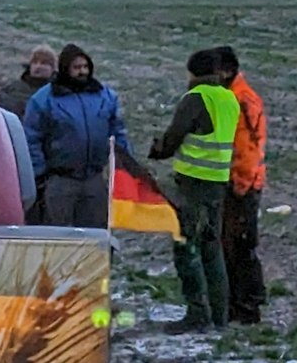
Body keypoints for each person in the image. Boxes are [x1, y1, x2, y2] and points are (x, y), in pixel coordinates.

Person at [148, 48, 241, 333]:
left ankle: (197, 313)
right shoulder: (229, 98)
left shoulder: (196, 98)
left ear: (192, 72)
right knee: (212, 249)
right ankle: (219, 316)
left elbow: (174, 137)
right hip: (218, 183)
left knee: (186, 247)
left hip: (193, 186)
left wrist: (157, 149)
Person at [23, 44, 131, 228]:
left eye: (85, 67)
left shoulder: (105, 96)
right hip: (59, 179)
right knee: (59, 233)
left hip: (94, 178)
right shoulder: (44, 99)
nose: (82, 72)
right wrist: (39, 174)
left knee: (95, 232)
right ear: (65, 69)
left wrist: (125, 165)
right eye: (76, 67)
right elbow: (32, 138)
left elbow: (117, 131)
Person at [214, 46, 267, 324]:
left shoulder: (241, 100)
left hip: (242, 185)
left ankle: (247, 306)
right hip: (238, 182)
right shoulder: (234, 96)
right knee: (233, 245)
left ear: (226, 71)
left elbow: (249, 147)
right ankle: (242, 302)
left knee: (241, 246)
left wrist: (241, 184)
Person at [0, 44, 57, 118]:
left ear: (52, 68)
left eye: (44, 63)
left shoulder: (55, 92)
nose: (38, 66)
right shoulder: (12, 87)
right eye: (35, 62)